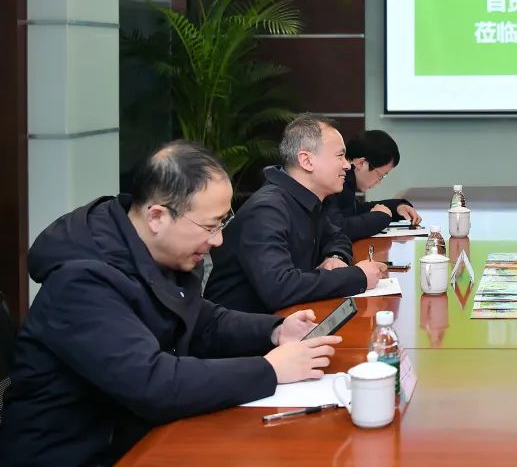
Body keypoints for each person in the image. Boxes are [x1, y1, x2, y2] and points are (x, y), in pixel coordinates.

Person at [0, 142, 341, 466]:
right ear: (157, 217)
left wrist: (275, 331)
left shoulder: (152, 249)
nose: (218, 240)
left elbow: (201, 320)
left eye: (222, 223)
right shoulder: (81, 282)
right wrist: (270, 370)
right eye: (210, 226)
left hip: (140, 436)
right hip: (83, 456)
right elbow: (152, 382)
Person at [204, 114, 386, 313]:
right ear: (306, 161)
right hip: (247, 328)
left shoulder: (311, 198)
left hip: (290, 318)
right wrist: (357, 276)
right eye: (339, 156)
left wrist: (336, 257)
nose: (347, 165)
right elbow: (280, 288)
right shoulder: (266, 210)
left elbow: (337, 235)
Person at [322, 130, 422, 240]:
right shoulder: (335, 183)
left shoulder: (348, 183)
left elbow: (358, 210)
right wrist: (380, 217)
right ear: (361, 163)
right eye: (380, 175)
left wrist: (397, 207)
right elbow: (339, 229)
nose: (379, 181)